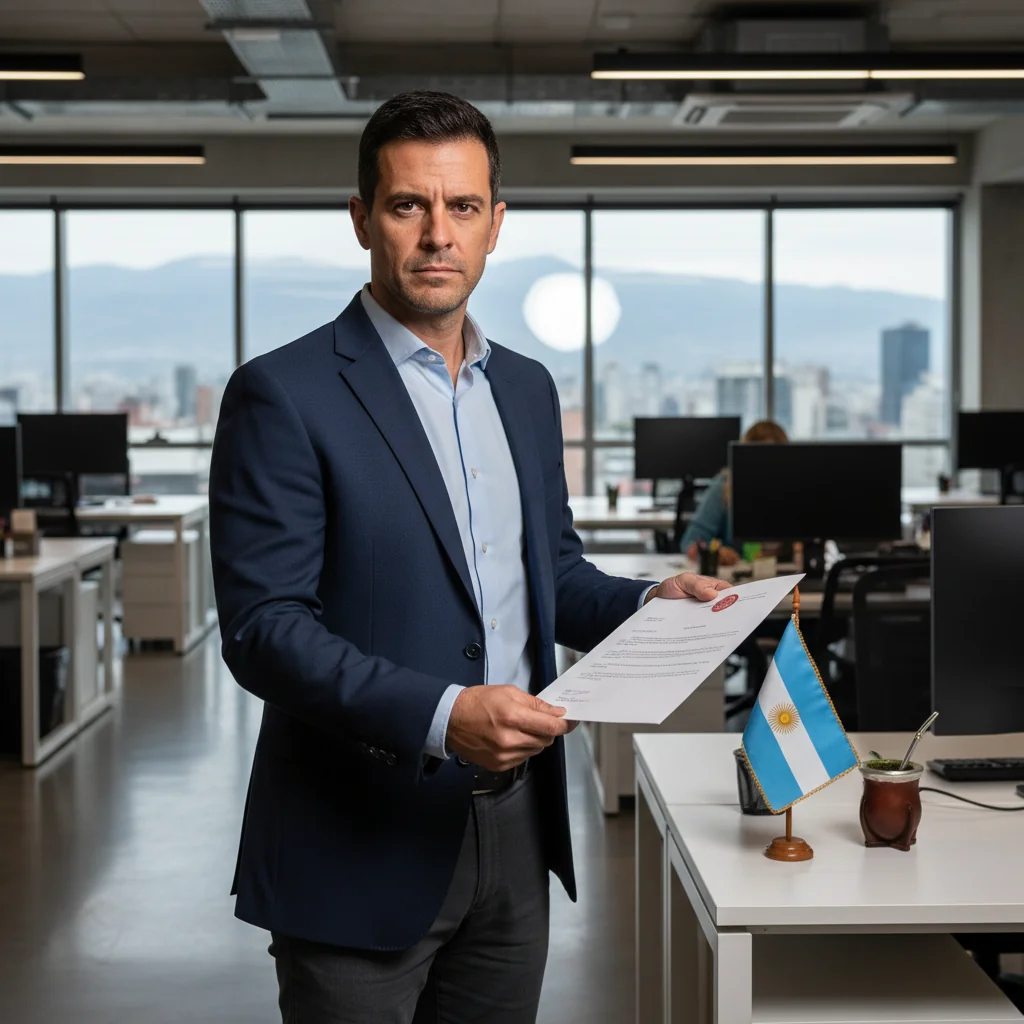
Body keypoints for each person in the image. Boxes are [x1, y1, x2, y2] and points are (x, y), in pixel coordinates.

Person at [208, 91, 730, 1024]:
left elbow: (550, 578)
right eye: (408, 205)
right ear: (362, 219)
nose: (437, 234)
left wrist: (653, 604)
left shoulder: (525, 389)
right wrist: (444, 716)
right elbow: (264, 630)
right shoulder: (282, 393)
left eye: (463, 207)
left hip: (515, 830)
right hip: (357, 839)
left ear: (496, 224)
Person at [680, 419, 789, 565]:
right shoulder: (724, 485)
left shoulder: (795, 490)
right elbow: (691, 542)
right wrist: (717, 553)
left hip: (789, 571)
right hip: (739, 572)